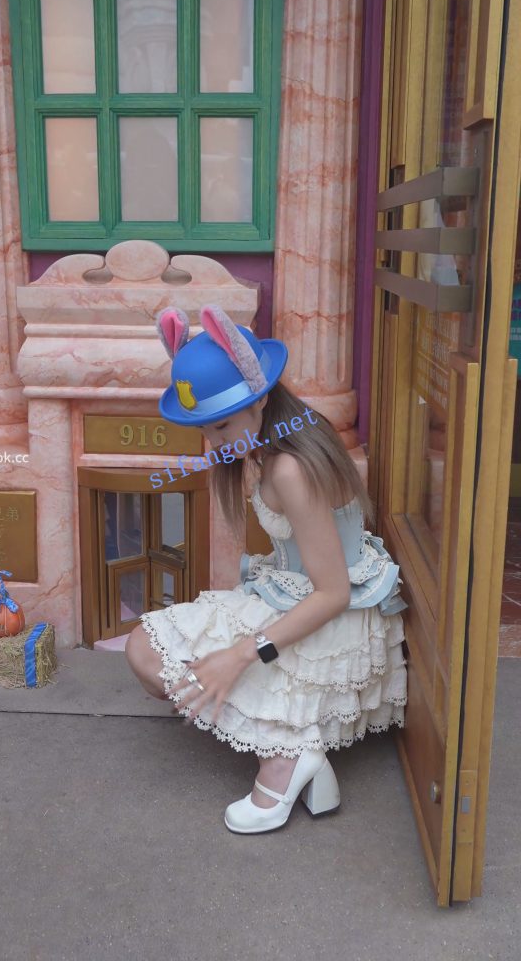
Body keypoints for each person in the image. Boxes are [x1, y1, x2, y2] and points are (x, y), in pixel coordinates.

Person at [125, 304, 407, 834]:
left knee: (166, 660)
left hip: (330, 618)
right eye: (205, 429)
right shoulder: (277, 437)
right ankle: (293, 746)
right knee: (146, 654)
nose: (216, 442)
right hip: (289, 595)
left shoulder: (290, 467)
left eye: (223, 424)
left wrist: (238, 655)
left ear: (258, 399)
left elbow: (333, 593)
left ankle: (285, 755)